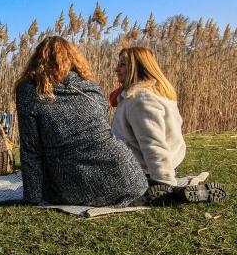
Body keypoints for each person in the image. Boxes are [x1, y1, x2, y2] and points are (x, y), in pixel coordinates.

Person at [14, 36, 148, 207]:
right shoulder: (91, 87)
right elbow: (102, 125)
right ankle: (157, 194)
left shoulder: (29, 89)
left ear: (37, 60)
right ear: (73, 58)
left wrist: (32, 198)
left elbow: (30, 148)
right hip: (127, 176)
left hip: (72, 185)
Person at [110, 47, 227, 203]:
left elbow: (153, 143)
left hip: (143, 171)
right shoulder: (158, 93)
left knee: (105, 190)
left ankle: (171, 194)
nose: (116, 69)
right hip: (161, 166)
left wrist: (164, 182)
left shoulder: (141, 99)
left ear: (137, 67)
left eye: (122, 65)